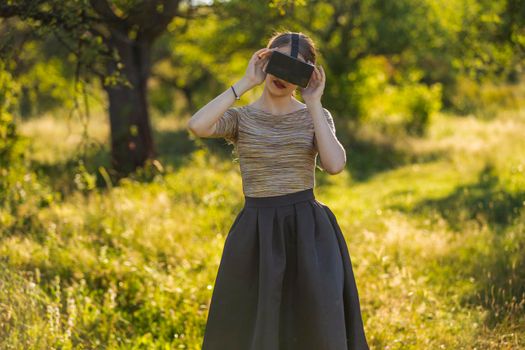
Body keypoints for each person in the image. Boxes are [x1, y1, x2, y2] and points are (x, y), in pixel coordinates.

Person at [187, 31, 369, 350]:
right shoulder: (242, 119)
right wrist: (244, 83)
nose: (283, 75)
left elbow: (335, 164)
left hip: (308, 232)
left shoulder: (315, 116)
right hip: (256, 232)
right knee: (253, 327)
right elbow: (198, 125)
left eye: (295, 68)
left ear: (307, 76)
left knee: (314, 327)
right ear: (265, 62)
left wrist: (313, 102)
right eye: (278, 62)